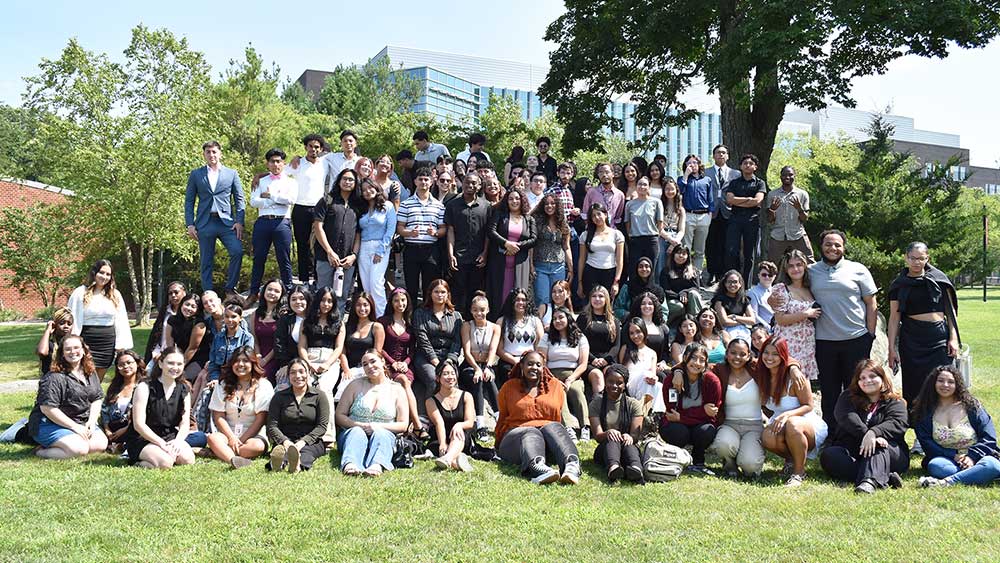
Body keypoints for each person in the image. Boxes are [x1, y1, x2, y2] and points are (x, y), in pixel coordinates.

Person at [797, 230, 877, 434]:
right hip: (824, 342)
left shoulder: (858, 269)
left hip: (856, 339)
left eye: (837, 245)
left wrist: (870, 334)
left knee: (857, 390)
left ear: (844, 247)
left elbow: (871, 303)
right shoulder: (810, 271)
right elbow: (791, 287)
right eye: (828, 244)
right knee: (830, 392)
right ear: (821, 246)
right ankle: (831, 434)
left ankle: (858, 432)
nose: (833, 248)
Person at [887, 242, 960, 420]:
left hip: (938, 337)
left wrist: (953, 338)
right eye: (913, 258)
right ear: (906, 258)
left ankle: (944, 425)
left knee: (942, 382)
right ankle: (920, 430)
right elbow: (894, 317)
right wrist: (891, 348)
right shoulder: (899, 285)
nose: (917, 262)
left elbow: (950, 312)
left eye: (921, 258)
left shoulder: (939, 279)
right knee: (915, 385)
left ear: (928, 258)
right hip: (912, 339)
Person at [819, 360, 908, 494]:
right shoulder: (847, 397)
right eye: (862, 378)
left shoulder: (895, 401)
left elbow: (897, 422)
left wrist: (874, 433)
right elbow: (846, 417)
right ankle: (884, 477)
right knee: (830, 455)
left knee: (878, 447)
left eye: (872, 376)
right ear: (857, 381)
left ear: (882, 378)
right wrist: (867, 435)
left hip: (889, 452)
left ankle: (869, 482)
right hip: (853, 450)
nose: (867, 381)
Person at [495, 352, 582, 485]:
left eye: (538, 365)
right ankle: (537, 468)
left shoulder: (555, 386)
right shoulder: (509, 387)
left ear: (544, 368)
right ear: (521, 366)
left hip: (547, 442)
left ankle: (571, 465)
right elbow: (502, 417)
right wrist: (497, 444)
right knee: (531, 431)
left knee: (554, 426)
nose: (534, 367)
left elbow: (557, 416)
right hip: (515, 441)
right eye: (529, 364)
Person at [757, 336, 828, 487]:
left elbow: (808, 405)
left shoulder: (794, 377)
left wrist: (787, 414)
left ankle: (798, 473)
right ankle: (791, 460)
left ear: (783, 355)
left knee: (792, 424)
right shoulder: (762, 374)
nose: (769, 358)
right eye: (766, 353)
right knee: (767, 437)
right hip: (781, 421)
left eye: (775, 354)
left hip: (805, 422)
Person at [913, 366, 1000, 488]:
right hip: (947, 459)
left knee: (992, 464)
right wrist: (954, 455)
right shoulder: (924, 412)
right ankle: (979, 473)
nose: (945, 385)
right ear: (933, 383)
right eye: (941, 380)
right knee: (936, 466)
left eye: (951, 382)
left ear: (957, 384)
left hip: (980, 457)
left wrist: (971, 457)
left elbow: (989, 437)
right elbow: (927, 444)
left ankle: (945, 483)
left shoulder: (972, 407)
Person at [28, 335, 108, 459]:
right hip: (49, 423)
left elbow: (97, 398)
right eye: (68, 349)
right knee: (79, 449)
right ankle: (40, 451)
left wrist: (91, 422)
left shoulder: (90, 372)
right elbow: (47, 409)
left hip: (81, 421)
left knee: (99, 445)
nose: (73, 352)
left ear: (83, 351)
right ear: (62, 353)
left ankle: (70, 441)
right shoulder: (54, 377)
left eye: (76, 348)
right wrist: (75, 427)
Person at [335, 350, 410, 476]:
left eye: (373, 361)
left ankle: (377, 465)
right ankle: (350, 464)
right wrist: (358, 425)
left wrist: (377, 426)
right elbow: (339, 415)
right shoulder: (354, 385)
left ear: (383, 361)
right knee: (356, 432)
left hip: (384, 434)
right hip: (353, 433)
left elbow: (403, 424)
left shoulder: (397, 389)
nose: (369, 366)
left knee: (382, 434)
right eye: (365, 364)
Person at [184, 140, 245, 294]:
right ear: (204, 154)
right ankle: (208, 293)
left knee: (237, 251)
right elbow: (189, 201)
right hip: (205, 222)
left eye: (214, 151)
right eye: (208, 152)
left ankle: (230, 288)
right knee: (206, 261)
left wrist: (239, 221)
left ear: (220, 153)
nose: (211, 155)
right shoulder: (196, 174)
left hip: (227, 223)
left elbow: (239, 199)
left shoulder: (232, 174)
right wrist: (190, 224)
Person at [124, 347, 195, 468]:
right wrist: (161, 444)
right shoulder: (144, 387)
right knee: (165, 463)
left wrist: (178, 442)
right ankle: (138, 463)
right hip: (142, 438)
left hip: (169, 436)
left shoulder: (184, 389)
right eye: (170, 363)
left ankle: (158, 458)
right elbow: (138, 425)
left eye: (179, 364)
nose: (175, 367)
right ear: (161, 364)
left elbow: (185, 423)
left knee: (188, 459)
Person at [206, 347, 275, 469]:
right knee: (213, 438)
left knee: (256, 447)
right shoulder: (223, 384)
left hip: (254, 436)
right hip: (227, 435)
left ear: (253, 363)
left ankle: (222, 452)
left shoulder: (264, 385)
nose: (240, 364)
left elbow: (261, 419)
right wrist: (232, 438)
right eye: (237, 361)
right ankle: (234, 460)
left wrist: (241, 440)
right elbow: (218, 416)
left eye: (245, 361)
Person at [660, 342, 721, 474]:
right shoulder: (672, 380)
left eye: (702, 360)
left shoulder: (712, 381)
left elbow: (711, 414)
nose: (697, 363)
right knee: (678, 431)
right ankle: (675, 459)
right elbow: (672, 413)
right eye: (693, 358)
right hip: (678, 424)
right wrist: (701, 412)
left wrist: (683, 417)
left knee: (706, 430)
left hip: (700, 425)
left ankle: (698, 461)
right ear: (686, 357)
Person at [67, 259, 133, 379]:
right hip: (86, 341)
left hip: (107, 343)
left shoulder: (115, 295)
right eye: (102, 273)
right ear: (94, 273)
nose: (104, 277)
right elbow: (72, 318)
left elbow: (121, 321)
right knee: (83, 374)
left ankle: (94, 397)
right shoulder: (80, 292)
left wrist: (121, 345)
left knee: (98, 379)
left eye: (108, 274)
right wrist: (73, 340)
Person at [708, 339, 765, 478]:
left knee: (750, 467)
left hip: (754, 426)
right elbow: (693, 363)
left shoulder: (757, 369)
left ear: (748, 355)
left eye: (742, 354)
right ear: (726, 354)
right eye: (733, 353)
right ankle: (729, 463)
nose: (737, 357)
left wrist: (794, 368)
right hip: (729, 424)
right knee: (723, 445)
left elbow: (783, 360)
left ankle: (746, 455)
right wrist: (678, 371)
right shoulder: (719, 369)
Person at [247, 149, 296, 302]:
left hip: (282, 221)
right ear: (267, 164)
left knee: (284, 258)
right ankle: (253, 292)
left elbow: (290, 199)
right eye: (272, 161)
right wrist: (272, 200)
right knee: (259, 258)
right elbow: (253, 201)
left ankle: (288, 292)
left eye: (279, 161)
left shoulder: (291, 181)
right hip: (263, 221)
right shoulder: (261, 181)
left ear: (284, 163)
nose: (276, 164)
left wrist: (271, 196)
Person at [266, 358, 330, 473]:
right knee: (283, 451)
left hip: (311, 441)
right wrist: (285, 441)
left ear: (308, 373)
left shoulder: (319, 396)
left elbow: (322, 426)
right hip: (285, 439)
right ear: (288, 376)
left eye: (301, 371)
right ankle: (278, 462)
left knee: (307, 453)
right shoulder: (279, 397)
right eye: (293, 372)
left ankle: (297, 465)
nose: (298, 376)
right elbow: (272, 426)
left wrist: (302, 442)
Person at [298, 287, 345, 431]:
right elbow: (302, 347)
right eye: (323, 300)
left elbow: (339, 348)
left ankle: (327, 433)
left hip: (330, 359)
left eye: (330, 301)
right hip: (309, 358)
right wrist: (308, 363)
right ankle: (305, 429)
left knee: (325, 389)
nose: (326, 304)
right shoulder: (307, 322)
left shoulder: (339, 323)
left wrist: (326, 364)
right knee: (306, 389)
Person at [397, 167, 447, 303]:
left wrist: (435, 233)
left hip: (431, 250)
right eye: (420, 179)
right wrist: (410, 233)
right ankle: (411, 316)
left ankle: (426, 316)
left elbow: (443, 229)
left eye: (426, 179)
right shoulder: (406, 204)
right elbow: (400, 228)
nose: (423, 182)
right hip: (411, 248)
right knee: (411, 287)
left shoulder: (439, 206)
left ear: (431, 182)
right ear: (415, 181)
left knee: (430, 287)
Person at [314, 168, 360, 312]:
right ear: (339, 180)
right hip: (325, 256)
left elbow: (359, 233)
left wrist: (354, 255)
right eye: (345, 178)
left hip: (347, 260)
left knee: (342, 296)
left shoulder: (358, 205)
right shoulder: (327, 200)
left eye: (351, 179)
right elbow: (318, 227)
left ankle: (337, 328)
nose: (347, 182)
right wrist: (329, 251)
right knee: (323, 295)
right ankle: (319, 329)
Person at [770, 250, 821, 381]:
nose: (795, 269)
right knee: (787, 382)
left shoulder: (811, 288)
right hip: (789, 342)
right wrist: (806, 314)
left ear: (805, 266)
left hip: (807, 343)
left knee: (803, 382)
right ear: (786, 270)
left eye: (799, 264)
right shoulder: (781, 289)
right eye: (791, 266)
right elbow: (780, 319)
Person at [538, 306, 590, 433]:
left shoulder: (580, 338)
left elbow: (583, 364)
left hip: (573, 374)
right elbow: (542, 362)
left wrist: (570, 379)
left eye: (561, 317)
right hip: (551, 374)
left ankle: (585, 426)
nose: (557, 321)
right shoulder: (547, 337)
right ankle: (569, 427)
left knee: (576, 391)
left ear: (568, 318)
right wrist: (552, 379)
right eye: (554, 319)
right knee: (558, 391)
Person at [589, 364, 645, 483]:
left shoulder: (633, 404)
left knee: (628, 443)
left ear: (624, 385)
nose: (614, 386)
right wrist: (608, 433)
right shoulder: (596, 403)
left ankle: (636, 469)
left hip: (626, 447)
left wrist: (629, 436)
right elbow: (598, 436)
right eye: (610, 381)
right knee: (613, 439)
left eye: (619, 383)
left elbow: (635, 435)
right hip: (605, 449)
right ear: (605, 381)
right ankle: (613, 468)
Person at [445, 171, 490, 317]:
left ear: (479, 186)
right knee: (458, 293)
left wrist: (485, 253)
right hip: (459, 256)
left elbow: (488, 233)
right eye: (467, 182)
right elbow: (450, 230)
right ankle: (457, 328)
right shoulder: (452, 205)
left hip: (478, 258)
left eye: (474, 183)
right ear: (462, 184)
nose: (470, 185)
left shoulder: (486, 206)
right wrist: (451, 254)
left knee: (475, 293)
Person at [285, 134, 329, 284]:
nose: (313, 149)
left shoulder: (325, 163)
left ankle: (318, 278)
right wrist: (260, 175)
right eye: (310, 146)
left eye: (317, 147)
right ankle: (304, 279)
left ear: (321, 149)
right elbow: (279, 173)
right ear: (305, 147)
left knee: (318, 244)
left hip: (319, 208)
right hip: (300, 208)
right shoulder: (298, 163)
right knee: (302, 244)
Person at [412, 280, 464, 404]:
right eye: (436, 292)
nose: (440, 295)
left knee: (450, 380)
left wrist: (449, 361)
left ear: (448, 295)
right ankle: (427, 415)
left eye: (443, 292)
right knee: (433, 378)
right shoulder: (420, 313)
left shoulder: (456, 316)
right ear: (430, 294)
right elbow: (422, 340)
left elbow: (457, 341)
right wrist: (436, 361)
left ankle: (451, 414)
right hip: (426, 358)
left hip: (448, 357)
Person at [356, 178, 398, 317]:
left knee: (376, 284)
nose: (367, 191)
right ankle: (369, 318)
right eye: (364, 190)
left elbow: (390, 230)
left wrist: (381, 250)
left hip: (380, 247)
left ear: (376, 187)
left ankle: (382, 318)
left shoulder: (388, 206)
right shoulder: (362, 209)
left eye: (370, 188)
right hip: (363, 248)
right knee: (366, 287)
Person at [723, 154, 767, 284]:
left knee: (750, 254)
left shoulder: (760, 183)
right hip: (735, 219)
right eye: (745, 163)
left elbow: (758, 200)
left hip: (752, 220)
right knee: (731, 251)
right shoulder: (734, 183)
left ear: (755, 167)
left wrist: (739, 200)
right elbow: (729, 200)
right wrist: (749, 200)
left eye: (750, 163)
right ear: (740, 166)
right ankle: (732, 282)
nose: (748, 165)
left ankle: (747, 285)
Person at [459, 292, 501, 424]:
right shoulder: (466, 325)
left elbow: (493, 350)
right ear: (471, 310)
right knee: (478, 380)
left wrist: (487, 367)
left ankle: (499, 416)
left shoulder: (495, 327)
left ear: (488, 310)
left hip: (486, 364)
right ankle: (480, 422)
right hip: (470, 364)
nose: (479, 313)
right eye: (475, 310)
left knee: (489, 379)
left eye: (482, 310)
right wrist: (477, 368)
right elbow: (467, 351)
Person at [426, 360, 476, 472]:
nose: (450, 377)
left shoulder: (466, 396)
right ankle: (455, 462)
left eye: (453, 373)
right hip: (441, 436)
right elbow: (439, 423)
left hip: (462, 436)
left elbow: (470, 422)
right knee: (439, 446)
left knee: (458, 433)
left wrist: (459, 425)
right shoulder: (431, 401)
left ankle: (447, 459)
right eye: (446, 374)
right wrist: (443, 443)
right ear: (438, 378)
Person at [530, 193, 573, 313]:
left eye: (553, 203)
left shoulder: (562, 222)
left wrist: (571, 269)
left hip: (559, 266)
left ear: (557, 205)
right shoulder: (537, 221)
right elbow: (531, 245)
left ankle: (558, 326)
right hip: (540, 265)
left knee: (559, 299)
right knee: (542, 299)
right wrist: (531, 265)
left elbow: (566, 246)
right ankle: (542, 327)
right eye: (546, 203)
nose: (549, 206)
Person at [576, 286, 621, 397]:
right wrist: (593, 359)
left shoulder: (613, 320)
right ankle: (599, 408)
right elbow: (577, 341)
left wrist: (606, 360)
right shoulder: (583, 318)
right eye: (594, 296)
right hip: (588, 360)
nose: (597, 299)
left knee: (612, 375)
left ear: (606, 299)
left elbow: (616, 345)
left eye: (601, 296)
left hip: (608, 360)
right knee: (597, 375)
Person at [705, 144, 740, 285]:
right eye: (718, 153)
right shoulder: (705, 172)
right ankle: (712, 272)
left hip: (729, 212)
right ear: (713, 156)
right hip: (711, 212)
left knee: (727, 244)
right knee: (711, 244)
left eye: (724, 153)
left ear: (728, 156)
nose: (721, 155)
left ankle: (724, 274)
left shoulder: (735, 174)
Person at [764, 165, 813, 263]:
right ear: (780, 176)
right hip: (778, 235)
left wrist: (799, 208)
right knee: (772, 265)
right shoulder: (772, 194)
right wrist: (772, 210)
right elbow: (770, 220)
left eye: (790, 175)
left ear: (794, 176)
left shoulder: (802, 194)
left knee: (809, 261)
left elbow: (804, 219)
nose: (787, 177)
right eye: (784, 175)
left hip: (797, 234)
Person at [577, 203, 625, 299]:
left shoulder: (616, 234)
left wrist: (616, 281)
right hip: (591, 272)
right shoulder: (585, 235)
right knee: (591, 304)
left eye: (599, 214)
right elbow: (582, 260)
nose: (597, 218)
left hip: (610, 273)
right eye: (593, 216)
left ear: (605, 214)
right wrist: (580, 282)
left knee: (607, 305)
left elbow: (620, 260)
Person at [678, 154, 717, 272]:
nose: (692, 165)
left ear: (699, 164)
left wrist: (709, 214)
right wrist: (686, 175)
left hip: (704, 216)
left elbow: (710, 199)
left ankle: (698, 275)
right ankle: (685, 273)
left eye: (695, 162)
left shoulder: (707, 180)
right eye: (689, 163)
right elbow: (679, 192)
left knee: (700, 250)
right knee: (686, 248)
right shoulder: (682, 179)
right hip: (688, 215)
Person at [100, 350, 143, 453]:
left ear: (137, 363)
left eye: (129, 362)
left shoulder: (144, 386)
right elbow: (104, 410)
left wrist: (124, 430)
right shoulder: (115, 386)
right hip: (114, 426)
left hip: (133, 427)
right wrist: (107, 430)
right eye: (121, 365)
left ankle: (122, 446)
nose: (125, 366)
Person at [621, 318, 664, 413]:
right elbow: (621, 370)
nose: (635, 336)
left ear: (644, 331)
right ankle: (644, 412)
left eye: (638, 332)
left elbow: (653, 374)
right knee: (645, 374)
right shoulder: (625, 349)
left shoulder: (652, 353)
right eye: (631, 333)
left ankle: (655, 415)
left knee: (659, 386)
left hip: (646, 383)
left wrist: (654, 378)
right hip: (631, 384)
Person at [272, 285, 311, 390]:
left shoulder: (315, 319)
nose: (298, 302)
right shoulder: (285, 320)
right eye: (293, 299)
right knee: (282, 386)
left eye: (302, 299)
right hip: (290, 364)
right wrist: (285, 364)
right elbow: (279, 343)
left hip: (312, 363)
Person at [624, 176, 665, 275]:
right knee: (635, 269)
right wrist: (630, 235)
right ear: (636, 186)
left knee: (651, 269)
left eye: (645, 184)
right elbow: (627, 222)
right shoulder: (630, 204)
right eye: (640, 184)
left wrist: (656, 235)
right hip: (636, 240)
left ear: (649, 187)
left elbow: (660, 222)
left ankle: (650, 289)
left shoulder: (656, 202)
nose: (642, 187)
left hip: (651, 240)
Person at [206, 302, 254, 384]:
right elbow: (213, 362)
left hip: (237, 377)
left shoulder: (247, 338)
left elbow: (246, 362)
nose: (230, 320)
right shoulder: (218, 337)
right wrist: (215, 378)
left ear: (240, 318)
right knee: (205, 394)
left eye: (233, 317)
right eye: (227, 317)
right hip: (219, 376)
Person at [660, 245, 706, 325]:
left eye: (684, 254)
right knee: (678, 306)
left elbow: (696, 288)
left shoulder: (694, 271)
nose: (681, 256)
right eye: (678, 253)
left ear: (688, 256)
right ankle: (666, 325)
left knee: (694, 294)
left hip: (689, 298)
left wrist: (685, 292)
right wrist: (679, 296)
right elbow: (665, 290)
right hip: (672, 299)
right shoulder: (666, 271)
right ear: (673, 254)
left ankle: (696, 323)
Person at [143, 281, 186, 368]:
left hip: (178, 356)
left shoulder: (188, 313)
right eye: (170, 293)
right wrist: (156, 352)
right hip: (159, 353)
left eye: (176, 292)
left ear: (184, 293)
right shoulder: (165, 312)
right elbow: (156, 336)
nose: (173, 295)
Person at [249, 279, 284, 384]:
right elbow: (254, 339)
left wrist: (265, 360)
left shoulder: (283, 315)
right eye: (270, 289)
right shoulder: (255, 314)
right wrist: (259, 356)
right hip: (258, 355)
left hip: (275, 356)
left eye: (277, 291)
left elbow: (280, 341)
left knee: (262, 377)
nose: (272, 293)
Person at [613, 257, 668, 324]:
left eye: (647, 266)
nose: (644, 269)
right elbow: (618, 308)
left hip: (653, 323)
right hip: (632, 324)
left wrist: (657, 322)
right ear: (636, 269)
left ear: (651, 269)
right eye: (641, 267)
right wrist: (631, 316)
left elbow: (664, 312)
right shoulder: (628, 287)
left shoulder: (658, 290)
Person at [712, 270, 756, 340]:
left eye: (735, 282)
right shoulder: (719, 300)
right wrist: (743, 322)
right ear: (725, 283)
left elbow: (752, 320)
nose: (732, 285)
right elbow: (725, 322)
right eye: (729, 282)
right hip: (725, 331)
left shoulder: (744, 299)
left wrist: (734, 317)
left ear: (740, 284)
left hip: (742, 330)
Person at [656, 176, 686, 282]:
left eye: (672, 189)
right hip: (662, 236)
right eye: (667, 189)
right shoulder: (659, 206)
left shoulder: (680, 209)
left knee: (675, 264)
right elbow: (659, 228)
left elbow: (682, 230)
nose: (670, 191)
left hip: (676, 238)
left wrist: (674, 243)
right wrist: (670, 240)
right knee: (661, 262)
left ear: (676, 190)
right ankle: (660, 288)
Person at [582, 163, 626, 228]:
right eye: (601, 172)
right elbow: (585, 215)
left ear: (613, 174)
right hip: (594, 231)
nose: (604, 175)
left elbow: (617, 218)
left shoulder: (620, 195)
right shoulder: (592, 192)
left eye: (607, 172)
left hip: (611, 232)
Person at [36, 307, 74, 376]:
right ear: (55, 325)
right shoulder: (50, 344)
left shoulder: (74, 344)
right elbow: (42, 352)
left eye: (69, 324)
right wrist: (48, 331)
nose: (66, 326)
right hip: (51, 380)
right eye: (62, 323)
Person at [747, 261, 777, 326]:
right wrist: (769, 328)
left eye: (770, 275)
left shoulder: (778, 291)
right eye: (764, 275)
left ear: (774, 277)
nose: (767, 277)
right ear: (758, 276)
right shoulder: (752, 292)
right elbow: (754, 316)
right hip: (762, 329)